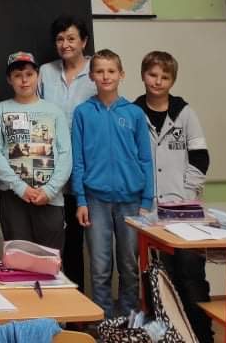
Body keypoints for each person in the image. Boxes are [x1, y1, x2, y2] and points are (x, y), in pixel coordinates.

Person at [134, 51, 213, 342]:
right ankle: (168, 337)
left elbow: (200, 157)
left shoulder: (185, 113)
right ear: (143, 75)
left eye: (164, 77)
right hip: (148, 211)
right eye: (152, 75)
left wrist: (186, 196)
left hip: (186, 211)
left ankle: (202, 335)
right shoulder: (133, 112)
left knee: (191, 276)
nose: (158, 81)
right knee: (159, 279)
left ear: (172, 80)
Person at [71, 49, 154, 319]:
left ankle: (128, 321)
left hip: (131, 201)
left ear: (121, 74)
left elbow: (145, 159)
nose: (105, 76)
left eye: (111, 71)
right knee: (99, 266)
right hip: (95, 200)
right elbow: (78, 160)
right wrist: (81, 200)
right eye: (99, 71)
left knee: (129, 266)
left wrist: (146, 200)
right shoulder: (83, 113)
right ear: (91, 76)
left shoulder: (134, 114)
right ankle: (104, 322)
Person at [0, 52, 71, 251]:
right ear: (9, 80)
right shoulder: (0, 110)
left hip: (50, 197)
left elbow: (66, 154)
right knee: (18, 258)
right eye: (17, 75)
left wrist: (50, 190)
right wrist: (20, 187)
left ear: (38, 76)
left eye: (29, 74)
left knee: (50, 259)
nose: (24, 80)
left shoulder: (54, 112)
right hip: (13, 197)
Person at [38, 15, 96, 291]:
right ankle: (51, 300)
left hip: (85, 169)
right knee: (49, 242)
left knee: (76, 241)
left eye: (71, 38)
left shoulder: (97, 71)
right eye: (60, 39)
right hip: (50, 168)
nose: (65, 44)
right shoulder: (45, 72)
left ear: (84, 41)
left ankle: (77, 301)